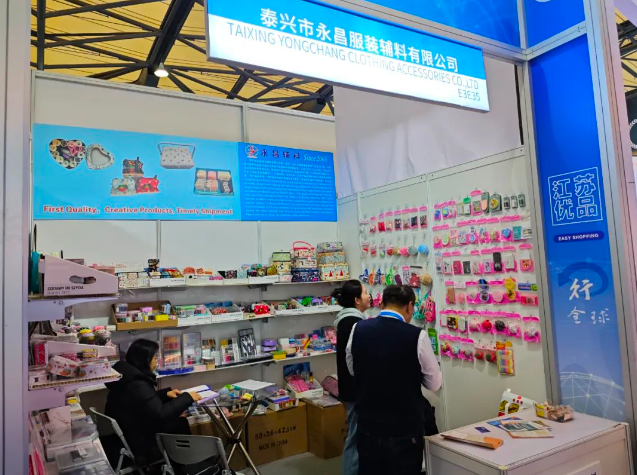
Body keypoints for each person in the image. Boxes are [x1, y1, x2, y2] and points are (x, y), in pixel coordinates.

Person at [346, 285, 442, 475]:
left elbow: (352, 368)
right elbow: (434, 383)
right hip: (404, 429)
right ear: (410, 306)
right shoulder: (417, 336)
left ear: (382, 304)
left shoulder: (358, 328)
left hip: (368, 425)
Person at [105, 339, 203, 466]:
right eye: (155, 358)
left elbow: (141, 400)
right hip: (142, 443)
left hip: (131, 432)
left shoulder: (126, 376)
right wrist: (187, 397)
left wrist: (165, 394)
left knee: (179, 423)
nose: (157, 362)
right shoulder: (138, 384)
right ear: (145, 360)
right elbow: (161, 414)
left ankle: (184, 462)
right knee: (179, 423)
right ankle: (185, 463)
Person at [333, 280, 371, 475]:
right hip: (355, 388)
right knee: (355, 438)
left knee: (358, 435)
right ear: (357, 300)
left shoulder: (347, 320)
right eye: (365, 293)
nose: (369, 296)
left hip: (351, 387)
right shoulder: (353, 323)